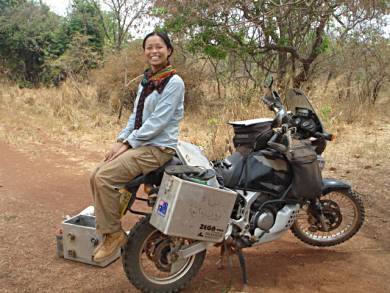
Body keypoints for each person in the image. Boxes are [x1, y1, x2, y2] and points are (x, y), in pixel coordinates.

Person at [90, 32, 185, 262]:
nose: (154, 51)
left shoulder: (174, 82)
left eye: (159, 47)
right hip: (142, 144)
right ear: (144, 52)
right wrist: (121, 140)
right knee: (95, 175)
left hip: (158, 148)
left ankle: (113, 234)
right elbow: (136, 116)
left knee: (104, 178)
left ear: (169, 50)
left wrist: (129, 143)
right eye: (149, 47)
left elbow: (157, 123)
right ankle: (108, 230)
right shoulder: (147, 81)